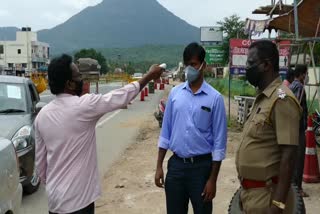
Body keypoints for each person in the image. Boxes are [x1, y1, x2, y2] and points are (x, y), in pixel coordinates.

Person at [35, 54, 163, 214]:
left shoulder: (42, 116)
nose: (81, 78)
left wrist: (56, 184)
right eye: (78, 76)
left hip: (55, 201)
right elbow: (120, 97)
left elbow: (40, 166)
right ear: (69, 83)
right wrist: (149, 75)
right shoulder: (83, 106)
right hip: (79, 202)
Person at [154, 43, 227, 214]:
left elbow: (219, 143)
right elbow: (166, 132)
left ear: (203, 65)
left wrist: (212, 180)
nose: (189, 69)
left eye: (193, 64)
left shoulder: (215, 99)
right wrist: (159, 166)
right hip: (176, 167)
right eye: (187, 64)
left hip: (201, 170)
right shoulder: (175, 94)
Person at [235, 40, 302, 214]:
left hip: (267, 197)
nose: (247, 68)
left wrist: (278, 205)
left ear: (266, 65)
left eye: (251, 63)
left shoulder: (282, 99)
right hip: (251, 194)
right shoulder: (263, 99)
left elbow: (289, 154)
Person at [289, 64, 309, 197]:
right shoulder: (300, 87)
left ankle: (292, 185)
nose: (306, 77)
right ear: (302, 74)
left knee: (291, 158)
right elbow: (296, 107)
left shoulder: (289, 86)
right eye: (306, 74)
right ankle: (297, 189)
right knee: (299, 158)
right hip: (298, 129)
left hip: (290, 128)